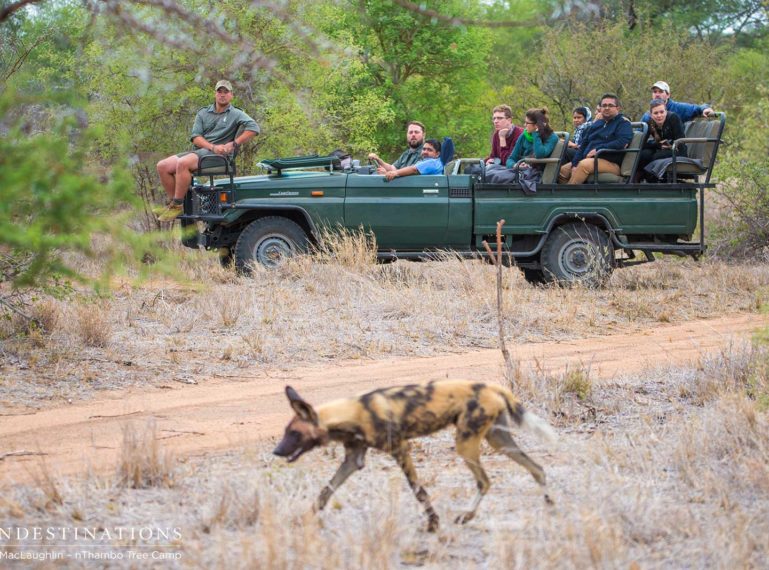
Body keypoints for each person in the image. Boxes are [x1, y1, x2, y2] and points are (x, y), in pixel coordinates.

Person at [155, 80, 259, 222]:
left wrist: (234, 143)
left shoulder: (236, 114)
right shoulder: (203, 113)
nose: (222, 95)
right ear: (215, 94)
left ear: (231, 95)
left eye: (226, 92)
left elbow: (254, 128)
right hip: (203, 151)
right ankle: (177, 203)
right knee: (162, 166)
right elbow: (196, 138)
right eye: (219, 92)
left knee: (182, 163)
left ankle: (177, 204)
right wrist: (212, 147)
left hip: (219, 156)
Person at [558, 93, 633, 184]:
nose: (607, 108)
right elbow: (584, 144)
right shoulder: (597, 124)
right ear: (600, 108)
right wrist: (574, 164)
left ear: (618, 108)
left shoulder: (623, 123)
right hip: (589, 159)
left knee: (583, 166)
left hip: (611, 162)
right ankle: (578, 196)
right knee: (563, 171)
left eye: (610, 105)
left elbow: (622, 142)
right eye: (604, 105)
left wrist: (598, 149)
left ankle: (569, 196)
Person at [488, 108, 559, 184]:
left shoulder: (552, 137)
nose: (524, 125)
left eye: (527, 123)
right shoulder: (524, 135)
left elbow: (540, 154)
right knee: (487, 170)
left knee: (494, 175)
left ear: (536, 125)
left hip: (534, 173)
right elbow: (511, 159)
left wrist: (536, 134)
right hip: (519, 169)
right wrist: (515, 165)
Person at [639, 98, 687, 182]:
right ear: (651, 114)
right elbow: (642, 144)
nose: (659, 115)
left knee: (656, 156)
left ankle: (653, 179)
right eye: (656, 113)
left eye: (662, 112)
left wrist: (669, 145)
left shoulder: (673, 118)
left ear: (666, 111)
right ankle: (640, 178)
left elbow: (681, 142)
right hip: (661, 149)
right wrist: (656, 144)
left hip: (677, 150)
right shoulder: (650, 123)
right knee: (644, 154)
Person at [640, 81, 715, 123]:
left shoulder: (678, 108)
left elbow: (697, 108)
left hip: (674, 147)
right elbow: (639, 131)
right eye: (655, 92)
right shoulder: (647, 115)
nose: (657, 95)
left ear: (668, 95)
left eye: (660, 92)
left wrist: (705, 108)